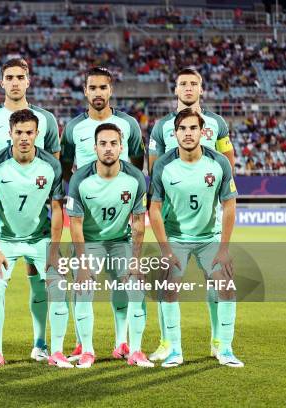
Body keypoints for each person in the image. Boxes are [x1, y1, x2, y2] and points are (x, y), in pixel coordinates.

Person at [0, 58, 60, 363]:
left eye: (19, 77)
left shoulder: (46, 119)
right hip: (0, 217)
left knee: (39, 278)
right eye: (8, 77)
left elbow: (54, 168)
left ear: (28, 81)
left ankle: (41, 343)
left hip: (36, 218)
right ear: (1, 82)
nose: (14, 82)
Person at [148, 68, 235, 362]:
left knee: (220, 283)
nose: (188, 88)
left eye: (193, 84)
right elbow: (153, 168)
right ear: (175, 89)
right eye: (183, 84)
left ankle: (220, 343)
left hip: (207, 220)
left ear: (201, 88)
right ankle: (167, 343)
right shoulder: (161, 127)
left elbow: (228, 164)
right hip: (175, 222)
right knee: (167, 283)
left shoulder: (217, 124)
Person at [66, 123, 151, 368]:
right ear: (94, 148)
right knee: (83, 289)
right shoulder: (80, 179)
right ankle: (87, 351)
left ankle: (132, 349)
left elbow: (137, 223)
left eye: (113, 143)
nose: (108, 149)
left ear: (121, 147)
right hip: (90, 242)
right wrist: (82, 264)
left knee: (135, 287)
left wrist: (136, 260)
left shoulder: (135, 178)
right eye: (103, 144)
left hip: (120, 241)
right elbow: (76, 225)